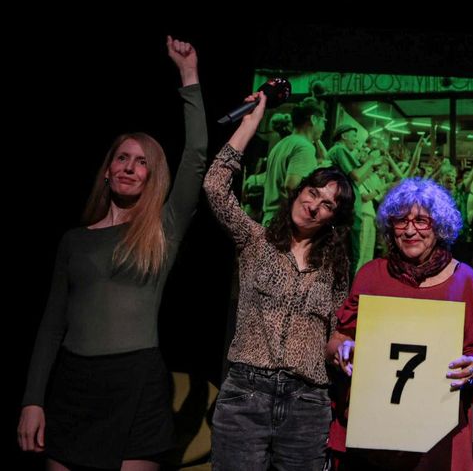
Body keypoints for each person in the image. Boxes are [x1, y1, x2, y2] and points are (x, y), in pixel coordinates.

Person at [17, 37, 207, 471]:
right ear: (107, 170)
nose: (129, 166)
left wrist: (188, 75)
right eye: (122, 157)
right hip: (72, 386)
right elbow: (50, 326)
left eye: (141, 162)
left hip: (136, 383)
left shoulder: (162, 231)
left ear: (150, 177)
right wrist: (32, 400)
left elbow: (196, 155)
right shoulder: (74, 240)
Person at [203, 89, 356, 470]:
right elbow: (214, 186)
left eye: (327, 204)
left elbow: (335, 330)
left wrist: (343, 348)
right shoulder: (255, 241)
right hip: (246, 396)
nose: (314, 204)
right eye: (312, 192)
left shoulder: (336, 266)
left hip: (307, 403)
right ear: (297, 192)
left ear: (333, 218)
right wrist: (249, 126)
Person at [326, 177, 473, 470]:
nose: (411, 229)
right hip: (374, 432)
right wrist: (343, 348)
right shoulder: (371, 274)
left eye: (422, 221)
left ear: (439, 227)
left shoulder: (463, 278)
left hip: (438, 434)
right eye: (402, 221)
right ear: (391, 227)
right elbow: (339, 338)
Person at [262, 97, 327, 226]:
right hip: (285, 222)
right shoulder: (304, 147)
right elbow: (291, 186)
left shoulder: (281, 144)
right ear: (313, 120)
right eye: (323, 122)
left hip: (271, 219)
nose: (324, 127)